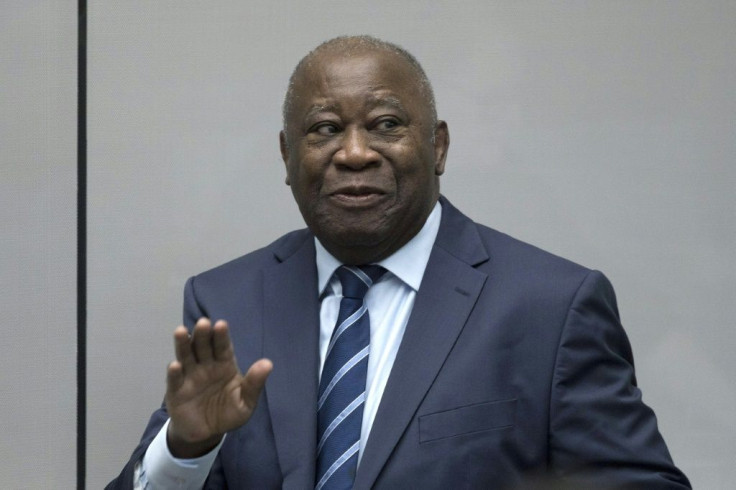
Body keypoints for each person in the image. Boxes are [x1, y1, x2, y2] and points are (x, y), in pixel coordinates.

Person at [108, 35, 690, 489]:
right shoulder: (225, 303)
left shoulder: (552, 306)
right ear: (288, 156)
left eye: (386, 125)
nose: (355, 153)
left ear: (437, 147)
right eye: (325, 129)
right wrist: (185, 449)